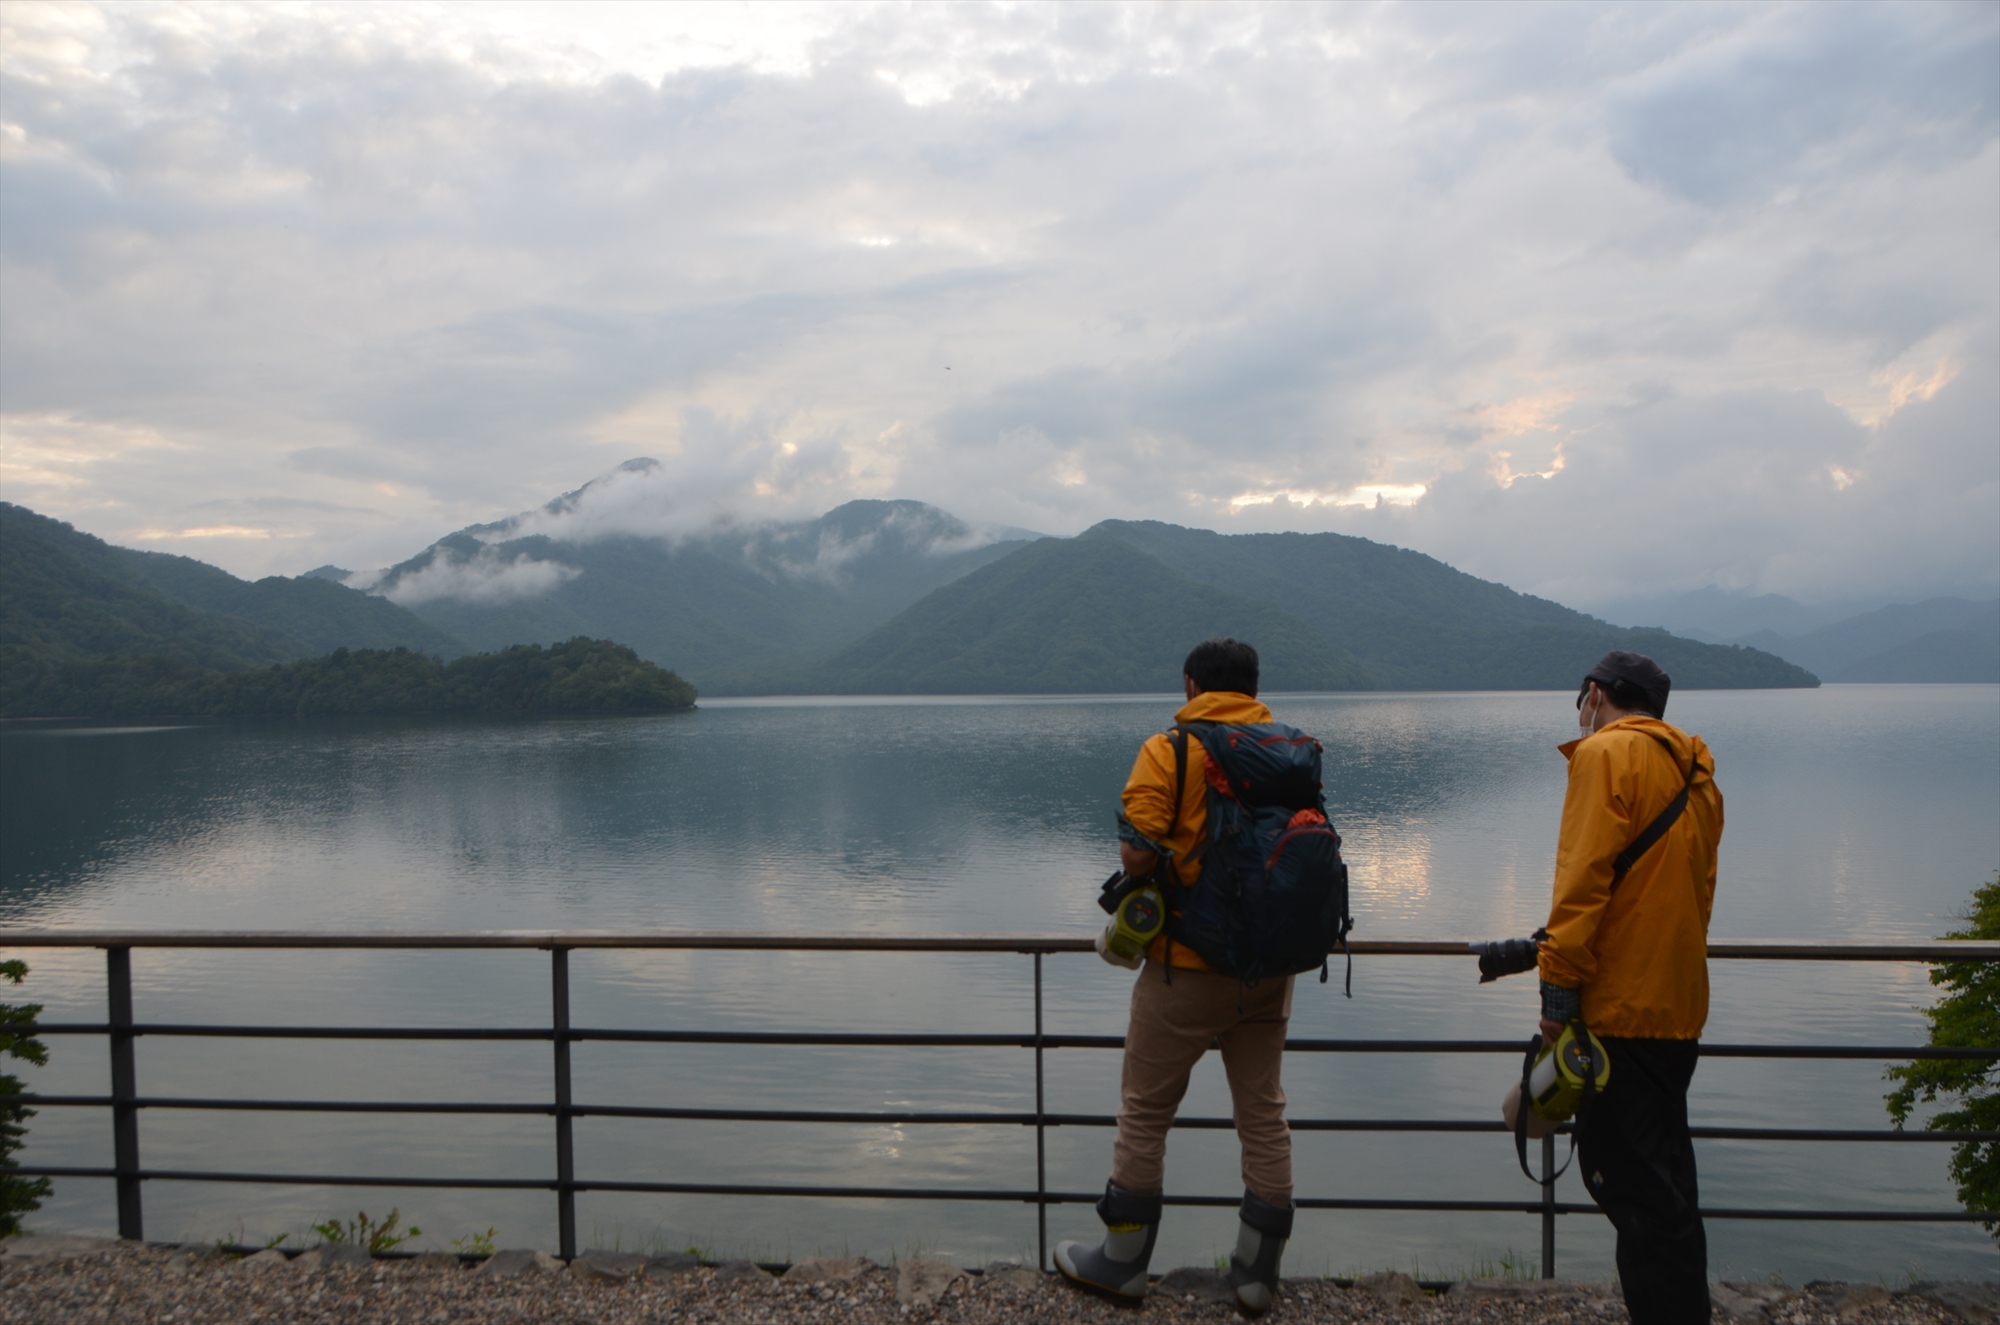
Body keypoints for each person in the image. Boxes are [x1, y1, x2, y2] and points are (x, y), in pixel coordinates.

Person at [1053, 637, 1299, 1313]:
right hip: (1269, 968)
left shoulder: (1170, 749)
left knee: (1144, 1111)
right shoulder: (1288, 749)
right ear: (1254, 689)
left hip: (1185, 968)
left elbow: (1136, 855)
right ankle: (1256, 1275)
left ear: (1191, 685)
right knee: (1263, 1113)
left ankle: (1122, 1264)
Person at [1538, 650, 1723, 1324]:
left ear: (1595, 694)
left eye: (1581, 700)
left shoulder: (1604, 756)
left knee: (1637, 1198)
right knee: (1669, 1191)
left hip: (1619, 1012)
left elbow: (1581, 882)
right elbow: (1699, 891)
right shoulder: (1695, 771)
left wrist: (1558, 997)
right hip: (1678, 1006)